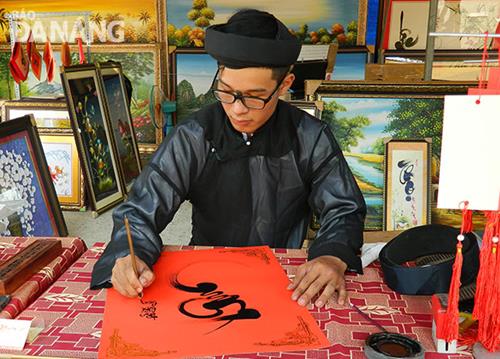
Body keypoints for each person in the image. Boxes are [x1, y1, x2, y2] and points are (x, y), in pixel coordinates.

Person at [90, 9, 366, 308]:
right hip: (204, 275)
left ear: (285, 85)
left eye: (254, 96)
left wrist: (332, 255)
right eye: (226, 91)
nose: (237, 109)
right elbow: (140, 211)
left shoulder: (309, 137)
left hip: (283, 277)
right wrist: (129, 254)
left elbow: (344, 208)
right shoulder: (193, 135)